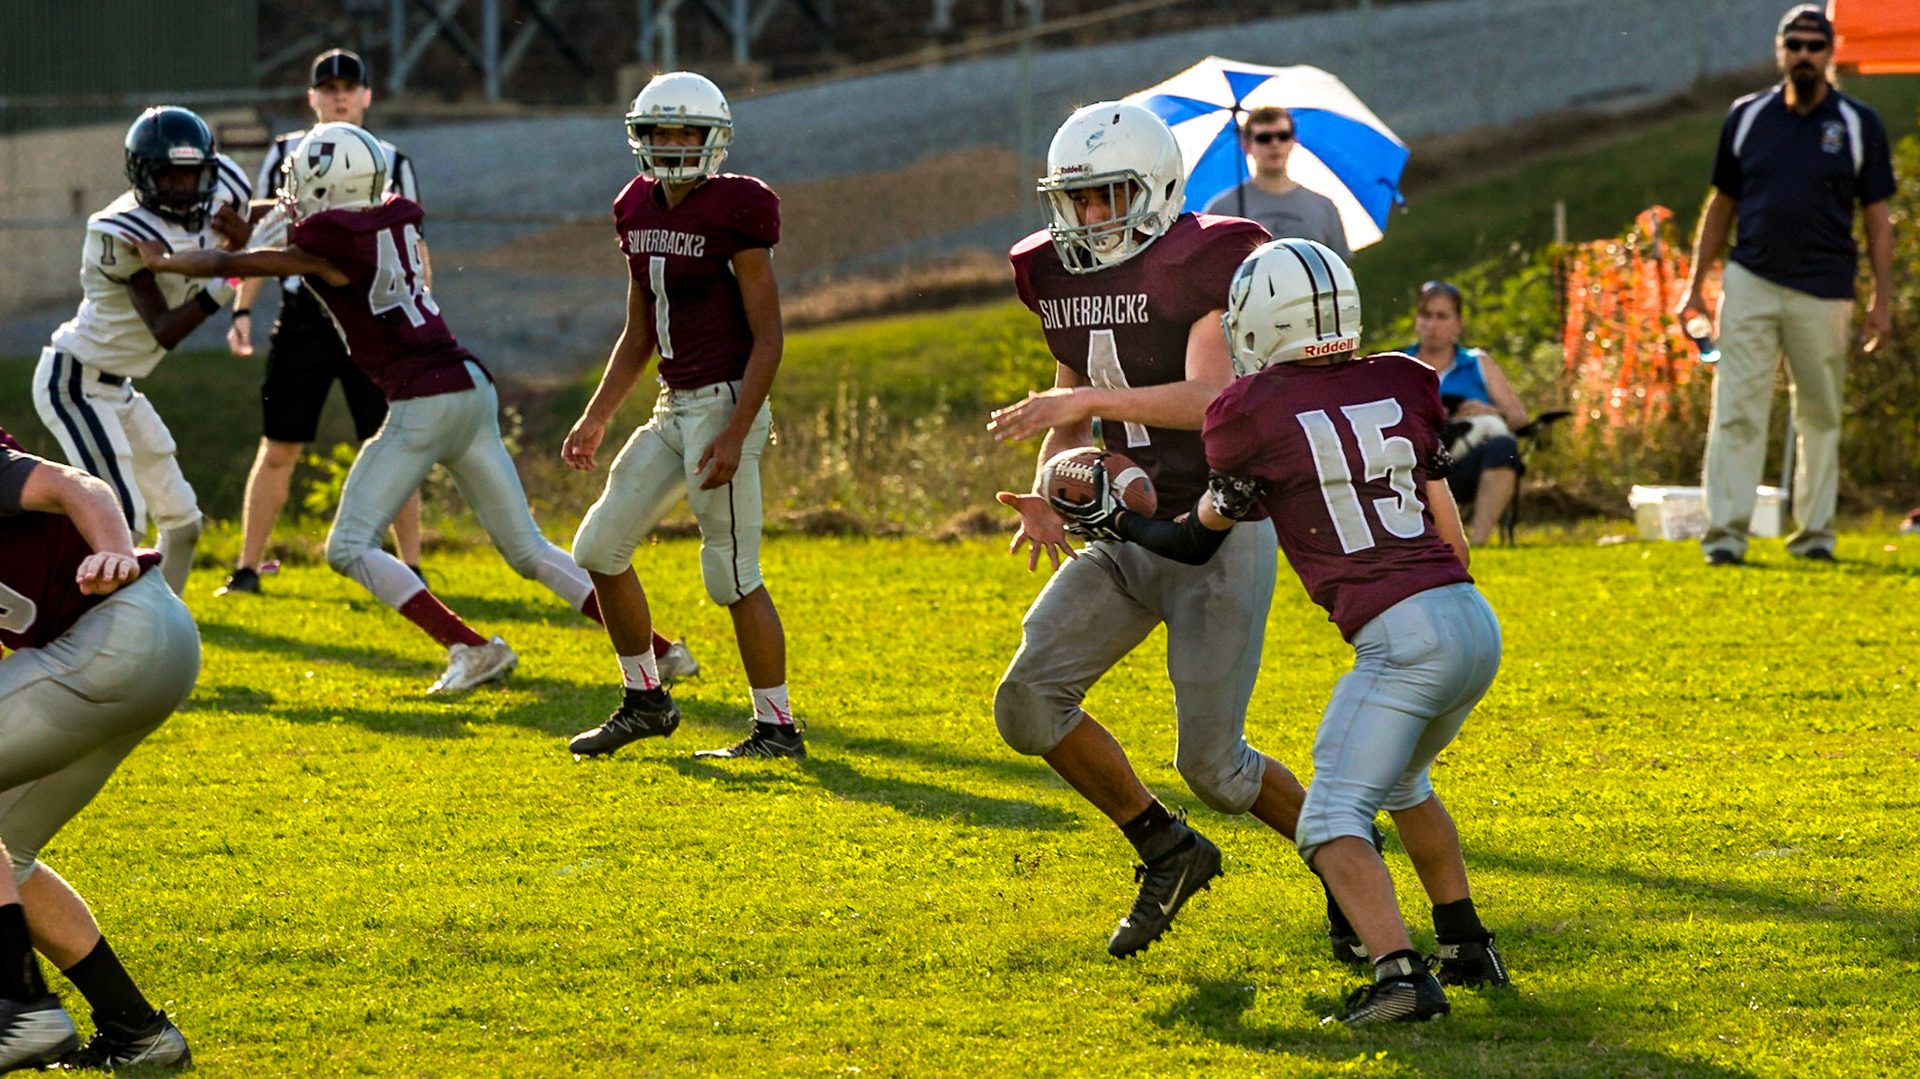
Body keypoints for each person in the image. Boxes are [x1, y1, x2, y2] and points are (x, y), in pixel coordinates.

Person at [1052, 238, 1509, 1024]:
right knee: (1404, 783)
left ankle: (1400, 974)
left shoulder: (1250, 411)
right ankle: (1466, 942)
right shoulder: (1407, 379)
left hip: (1399, 638)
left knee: (1331, 818)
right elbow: (1457, 541)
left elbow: (1195, 538)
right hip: (1471, 620)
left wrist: (1116, 519)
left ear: (1258, 322)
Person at [988, 101, 1339, 961]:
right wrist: (1050, 483)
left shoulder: (1206, 260)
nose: (1089, 217)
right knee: (1028, 702)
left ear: (1156, 189)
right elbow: (1070, 398)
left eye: (1108, 196)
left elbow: (1206, 398)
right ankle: (1165, 847)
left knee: (1216, 768)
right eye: (1076, 199)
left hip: (1218, 525)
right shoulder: (1057, 273)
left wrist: (1081, 406)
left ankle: (1349, 872)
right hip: (1124, 526)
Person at [133, 122, 633, 696]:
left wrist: (166, 262)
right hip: (469, 384)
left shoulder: (327, 240)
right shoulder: (392, 211)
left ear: (326, 183)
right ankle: (660, 652)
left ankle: (469, 647)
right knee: (528, 549)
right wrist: (250, 224)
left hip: (424, 400)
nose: (292, 189)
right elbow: (299, 227)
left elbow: (241, 266)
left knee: (347, 547)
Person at [564, 71, 800, 762]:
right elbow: (640, 328)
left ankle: (778, 728)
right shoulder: (635, 206)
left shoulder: (738, 208)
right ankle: (645, 700)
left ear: (713, 139)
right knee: (599, 549)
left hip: (724, 401)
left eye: (685, 133)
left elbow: (771, 334)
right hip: (674, 405)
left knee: (731, 574)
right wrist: (598, 413)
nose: (671, 146)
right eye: (659, 132)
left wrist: (735, 429)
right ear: (639, 138)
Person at [0, 428, 197, 1069]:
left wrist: (113, 552)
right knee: (9, 855)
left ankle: (21, 1004)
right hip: (141, 652)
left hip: (115, 632)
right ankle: (138, 1031)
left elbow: (74, 484)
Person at [1678, 4, 1896, 566]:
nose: (1804, 55)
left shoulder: (1857, 123)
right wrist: (1696, 284)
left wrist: (1881, 300)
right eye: (1794, 44)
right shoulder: (1747, 116)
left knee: (1819, 414)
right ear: (1780, 51)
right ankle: (1726, 536)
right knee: (1736, 410)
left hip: (1825, 289)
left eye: (1814, 45)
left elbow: (1876, 218)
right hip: (1750, 280)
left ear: (1830, 53)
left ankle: (1815, 535)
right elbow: (1721, 203)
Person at [219, 48, 427, 599]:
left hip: (373, 314)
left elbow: (413, 248)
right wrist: (242, 310)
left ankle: (413, 566)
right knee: (280, 443)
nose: (338, 95)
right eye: (327, 87)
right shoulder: (287, 152)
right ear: (312, 97)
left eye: (348, 86)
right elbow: (263, 239)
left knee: (396, 445)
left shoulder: (390, 159)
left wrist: (419, 316)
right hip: (307, 314)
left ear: (366, 95)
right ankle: (247, 567)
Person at [29, 105, 252, 597]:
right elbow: (164, 330)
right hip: (74, 380)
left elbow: (243, 230)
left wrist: (243, 241)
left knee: (185, 523)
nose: (184, 188)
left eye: (192, 176)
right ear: (143, 176)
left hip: (119, 386)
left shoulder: (228, 185)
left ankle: (162, 623)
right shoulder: (118, 229)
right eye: (169, 178)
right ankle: (89, 630)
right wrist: (231, 273)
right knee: (121, 525)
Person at [1407, 280, 1531, 546]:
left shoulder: (1478, 363)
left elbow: (1521, 419)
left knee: (1503, 447)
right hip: (1411, 464)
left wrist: (1489, 411)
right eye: (1426, 315)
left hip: (1463, 465)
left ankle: (1476, 542)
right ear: (1416, 321)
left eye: (1442, 316)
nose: (1432, 325)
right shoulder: (1398, 364)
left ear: (1458, 324)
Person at [1202, 106, 1350, 260]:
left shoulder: (1324, 208)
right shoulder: (1221, 211)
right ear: (1247, 146)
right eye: (1264, 138)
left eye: (1283, 136)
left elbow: (1339, 273)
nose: (1274, 144)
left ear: (1294, 141)